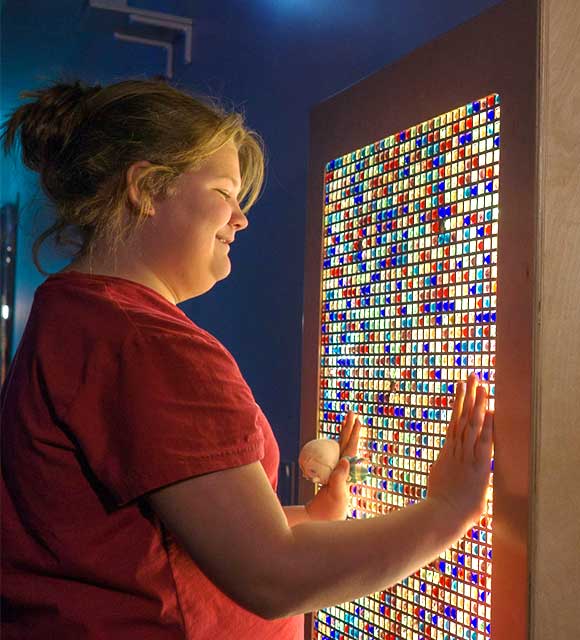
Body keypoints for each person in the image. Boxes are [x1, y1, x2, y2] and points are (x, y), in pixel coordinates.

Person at [0, 77, 494, 640]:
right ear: (146, 188)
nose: (241, 219)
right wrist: (447, 510)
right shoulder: (145, 343)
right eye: (224, 192)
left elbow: (152, 543)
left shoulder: (77, 315)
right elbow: (270, 576)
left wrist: (309, 522)